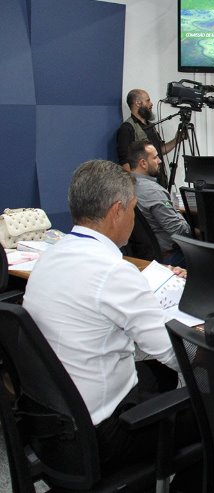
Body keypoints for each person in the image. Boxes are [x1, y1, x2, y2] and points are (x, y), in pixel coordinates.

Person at [22, 160, 200, 490]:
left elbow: (94, 303)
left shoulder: (52, 255)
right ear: (117, 211)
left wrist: (142, 292)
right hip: (103, 434)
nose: (134, 218)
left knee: (157, 373)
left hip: (52, 423)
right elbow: (178, 356)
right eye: (133, 209)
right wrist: (209, 342)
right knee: (212, 413)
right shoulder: (114, 272)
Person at [129, 139, 191, 267]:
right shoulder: (154, 191)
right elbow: (180, 231)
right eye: (155, 157)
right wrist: (179, 213)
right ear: (143, 163)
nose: (160, 161)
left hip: (142, 254)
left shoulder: (126, 185)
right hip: (168, 257)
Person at [116, 88, 182, 187]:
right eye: (147, 100)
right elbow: (124, 162)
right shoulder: (127, 128)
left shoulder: (150, 126)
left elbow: (160, 150)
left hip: (159, 182)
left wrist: (177, 140)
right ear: (138, 103)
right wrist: (131, 188)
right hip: (143, 185)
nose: (151, 104)